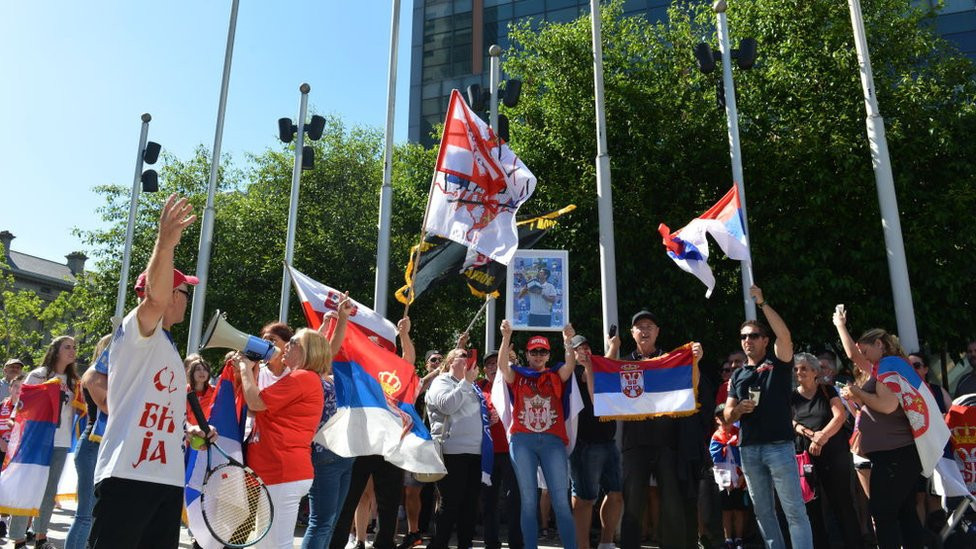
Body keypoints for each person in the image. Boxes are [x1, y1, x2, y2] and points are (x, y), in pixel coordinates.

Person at [88, 194, 212, 549]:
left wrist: (187, 431)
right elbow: (153, 301)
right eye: (184, 291)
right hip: (128, 474)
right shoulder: (140, 332)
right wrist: (165, 242)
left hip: (166, 478)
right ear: (168, 293)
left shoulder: (169, 348)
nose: (187, 299)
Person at [833, 309, 938, 548]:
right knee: (904, 512)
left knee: (882, 511)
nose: (864, 358)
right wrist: (840, 325)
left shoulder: (889, 366)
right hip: (896, 453)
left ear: (879, 344)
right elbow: (853, 354)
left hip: (897, 454)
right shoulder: (885, 366)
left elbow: (888, 406)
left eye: (867, 351)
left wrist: (857, 392)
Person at [724, 285, 813, 549]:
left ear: (765, 340)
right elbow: (727, 415)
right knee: (763, 513)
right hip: (749, 449)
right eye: (743, 337)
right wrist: (738, 410)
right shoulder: (737, 375)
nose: (747, 340)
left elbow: (784, 334)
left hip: (779, 447)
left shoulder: (779, 364)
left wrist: (762, 303)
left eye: (753, 336)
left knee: (794, 511)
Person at [619, 310, 705, 549]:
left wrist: (695, 362)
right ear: (632, 333)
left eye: (649, 326)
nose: (644, 330)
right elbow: (601, 397)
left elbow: (691, 388)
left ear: (657, 332)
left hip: (667, 443)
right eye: (639, 326)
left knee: (672, 505)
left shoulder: (671, 360)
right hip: (634, 444)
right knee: (633, 505)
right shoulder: (622, 363)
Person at [329, 316, 416, 549]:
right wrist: (335, 325)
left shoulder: (392, 375)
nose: (375, 352)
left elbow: (409, 362)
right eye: (370, 347)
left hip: (387, 446)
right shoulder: (354, 372)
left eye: (379, 348)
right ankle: (337, 543)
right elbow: (330, 355)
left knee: (389, 500)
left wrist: (405, 335)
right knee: (349, 498)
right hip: (360, 444)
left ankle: (384, 542)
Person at [238, 327, 327, 549]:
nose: (286, 346)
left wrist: (244, 368)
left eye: (293, 343)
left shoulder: (302, 377)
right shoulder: (303, 378)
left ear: (308, 351)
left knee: (275, 545)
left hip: (282, 470)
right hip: (278, 470)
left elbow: (256, 402)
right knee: (267, 544)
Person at [497, 319, 577, 549]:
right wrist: (505, 337)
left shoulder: (555, 375)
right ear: (528, 354)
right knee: (529, 500)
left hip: (552, 441)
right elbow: (503, 366)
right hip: (523, 441)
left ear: (548, 355)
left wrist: (568, 341)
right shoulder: (518, 375)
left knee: (561, 501)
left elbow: (570, 364)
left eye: (543, 351)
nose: (539, 355)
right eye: (534, 352)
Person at [8, 336, 85, 549]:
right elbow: (23, 407)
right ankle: (18, 538)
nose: (72, 350)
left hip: (61, 442)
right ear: (55, 350)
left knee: (49, 491)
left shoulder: (74, 382)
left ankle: (41, 536)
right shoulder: (38, 376)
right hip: (36, 440)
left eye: (74, 347)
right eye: (67, 347)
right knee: (28, 488)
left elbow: (78, 412)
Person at [790, 352, 862, 548]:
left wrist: (822, 438)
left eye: (804, 368)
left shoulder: (827, 390)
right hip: (806, 454)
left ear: (815, 371)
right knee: (811, 505)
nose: (799, 372)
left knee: (842, 502)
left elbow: (839, 416)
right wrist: (811, 435)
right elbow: (792, 422)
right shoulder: (792, 397)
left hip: (834, 452)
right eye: (796, 369)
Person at [302, 299, 357, 549]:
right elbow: (325, 348)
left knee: (331, 522)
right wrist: (330, 325)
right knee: (321, 522)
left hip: (345, 455)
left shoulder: (325, 375)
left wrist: (341, 319)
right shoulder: (308, 377)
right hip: (324, 456)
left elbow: (328, 349)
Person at [425, 346, 485, 549]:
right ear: (450, 362)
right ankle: (438, 544)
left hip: (474, 453)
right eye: (462, 356)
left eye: (469, 356)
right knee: (450, 504)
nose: (467, 359)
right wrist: (466, 382)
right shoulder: (441, 381)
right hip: (452, 452)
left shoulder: (472, 385)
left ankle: (465, 545)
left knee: (470, 505)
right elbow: (446, 406)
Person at [570, 334, 623, 549]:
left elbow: (604, 368)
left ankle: (606, 543)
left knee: (616, 494)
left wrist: (612, 347)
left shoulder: (595, 366)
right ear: (572, 354)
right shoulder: (573, 373)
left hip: (608, 442)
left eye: (586, 347)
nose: (584, 351)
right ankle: (581, 546)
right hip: (586, 445)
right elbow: (590, 383)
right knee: (585, 499)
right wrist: (594, 361)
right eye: (578, 349)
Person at [64, 334, 111, 549]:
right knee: (85, 514)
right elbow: (108, 407)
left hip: (103, 448)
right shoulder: (95, 376)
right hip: (92, 446)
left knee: (95, 516)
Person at [399, 348, 447, 549]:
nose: (437, 363)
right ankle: (414, 532)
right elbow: (418, 387)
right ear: (427, 364)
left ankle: (439, 535)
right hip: (417, 444)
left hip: (440, 443)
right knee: (412, 491)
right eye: (434, 360)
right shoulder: (418, 383)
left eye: (440, 360)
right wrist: (438, 371)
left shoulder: (449, 383)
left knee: (440, 492)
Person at [478, 349, 523, 549]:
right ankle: (491, 543)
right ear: (483, 369)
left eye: (496, 363)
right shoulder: (478, 387)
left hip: (512, 450)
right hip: (487, 453)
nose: (492, 367)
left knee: (514, 499)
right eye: (488, 364)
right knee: (489, 501)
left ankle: (516, 542)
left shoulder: (513, 383)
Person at [709, 405, 746, 549]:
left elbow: (743, 456)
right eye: (721, 418)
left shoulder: (739, 433)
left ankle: (739, 538)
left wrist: (742, 476)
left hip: (739, 478)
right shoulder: (716, 437)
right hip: (724, 480)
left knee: (739, 510)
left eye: (727, 417)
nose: (725, 421)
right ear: (717, 420)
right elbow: (715, 460)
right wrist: (725, 481)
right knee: (726, 510)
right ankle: (728, 539)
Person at [184, 354, 214, 424]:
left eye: (205, 369)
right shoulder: (182, 391)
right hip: (187, 432)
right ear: (191, 373)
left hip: (208, 432)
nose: (202, 372)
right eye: (198, 369)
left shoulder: (216, 392)